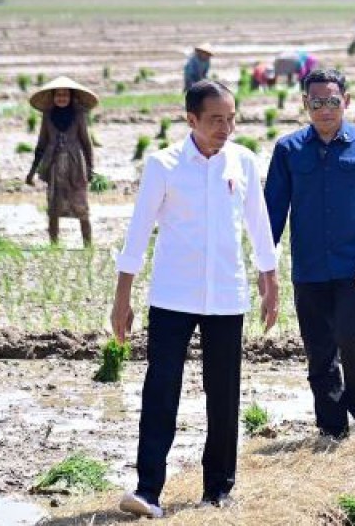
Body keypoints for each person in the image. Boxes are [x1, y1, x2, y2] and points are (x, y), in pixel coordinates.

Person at [111, 81, 280, 518]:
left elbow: (259, 225)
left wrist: (270, 281)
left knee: (223, 395)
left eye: (231, 118)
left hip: (226, 296)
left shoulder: (243, 161)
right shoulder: (163, 165)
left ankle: (218, 489)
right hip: (173, 296)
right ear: (191, 120)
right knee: (161, 390)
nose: (226, 128)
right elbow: (138, 232)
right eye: (216, 119)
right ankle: (148, 490)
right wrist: (122, 298)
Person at [265, 68, 355, 438]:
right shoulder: (288, 150)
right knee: (319, 349)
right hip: (309, 267)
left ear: (347, 101)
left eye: (333, 101)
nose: (325, 109)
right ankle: (331, 425)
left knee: (354, 341)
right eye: (317, 102)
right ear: (305, 103)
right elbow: (272, 212)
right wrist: (264, 265)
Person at [25, 77, 97, 246]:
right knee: (53, 208)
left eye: (65, 95)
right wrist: (32, 172)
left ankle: (88, 246)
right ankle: (54, 246)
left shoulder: (79, 115)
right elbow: (41, 144)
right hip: (54, 167)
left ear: (71, 97)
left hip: (76, 167)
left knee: (81, 206)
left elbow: (86, 143)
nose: (62, 98)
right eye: (58, 95)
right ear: (53, 97)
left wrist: (90, 168)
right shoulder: (47, 116)